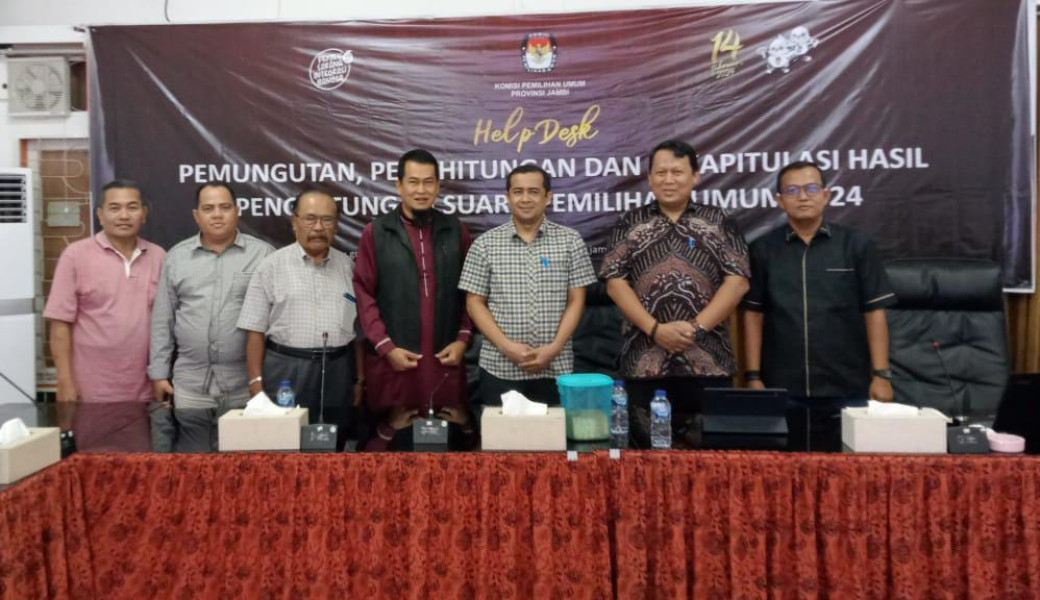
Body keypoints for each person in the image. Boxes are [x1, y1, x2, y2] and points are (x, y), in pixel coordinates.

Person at [600, 140, 750, 448]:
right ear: (650, 177)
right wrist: (656, 329)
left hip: (708, 361)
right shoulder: (629, 223)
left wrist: (696, 328)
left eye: (677, 172)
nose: (669, 180)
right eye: (661, 172)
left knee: (713, 464)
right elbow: (615, 283)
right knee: (645, 464)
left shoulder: (719, 222)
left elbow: (737, 282)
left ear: (695, 176)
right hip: (644, 362)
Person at [742, 160, 896, 450]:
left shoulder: (856, 246)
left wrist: (881, 375)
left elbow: (874, 312)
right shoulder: (763, 250)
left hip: (847, 383)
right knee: (782, 469)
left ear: (826, 195)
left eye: (811, 188)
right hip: (782, 384)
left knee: (847, 469)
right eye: (792, 190)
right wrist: (753, 376)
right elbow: (753, 315)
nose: (803, 196)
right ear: (779, 200)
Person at [353, 149, 476, 450]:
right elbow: (364, 294)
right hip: (396, 361)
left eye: (428, 182)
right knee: (395, 444)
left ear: (438, 186)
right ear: (399, 186)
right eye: (413, 182)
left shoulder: (454, 230)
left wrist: (463, 339)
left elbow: (471, 292)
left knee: (449, 450)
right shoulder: (376, 232)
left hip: (445, 358)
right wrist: (385, 347)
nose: (421, 190)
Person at [148, 182, 274, 452]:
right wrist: (159, 374)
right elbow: (163, 321)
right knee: (192, 464)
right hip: (190, 384)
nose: (217, 214)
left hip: (244, 385)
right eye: (208, 208)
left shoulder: (263, 255)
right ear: (196, 215)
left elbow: (275, 319)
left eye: (225, 207)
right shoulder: (177, 257)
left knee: (243, 464)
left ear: (237, 211)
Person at [460, 164, 597, 407]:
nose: (525, 199)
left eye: (533, 191)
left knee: (554, 432)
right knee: (503, 433)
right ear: (507, 196)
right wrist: (506, 347)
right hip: (499, 367)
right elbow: (474, 303)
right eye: (518, 191)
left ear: (548, 197)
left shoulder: (570, 241)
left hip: (555, 366)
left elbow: (577, 300)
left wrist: (554, 348)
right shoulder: (485, 244)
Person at [44, 179, 166, 450]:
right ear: (100, 214)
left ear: (144, 213)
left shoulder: (158, 256)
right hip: (91, 393)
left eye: (132, 207)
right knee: (96, 466)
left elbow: (165, 325)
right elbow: (60, 324)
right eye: (114, 208)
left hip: (143, 392)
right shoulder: (76, 256)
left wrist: (161, 377)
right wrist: (64, 381)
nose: (124, 215)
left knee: (141, 466)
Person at [237, 187, 359, 450]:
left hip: (337, 370)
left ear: (336, 225)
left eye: (327, 220)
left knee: (333, 447)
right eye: (310, 218)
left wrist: (359, 380)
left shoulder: (348, 268)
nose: (318, 227)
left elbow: (357, 330)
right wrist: (255, 384)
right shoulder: (271, 267)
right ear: (294, 221)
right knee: (285, 448)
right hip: (287, 371)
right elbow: (254, 331)